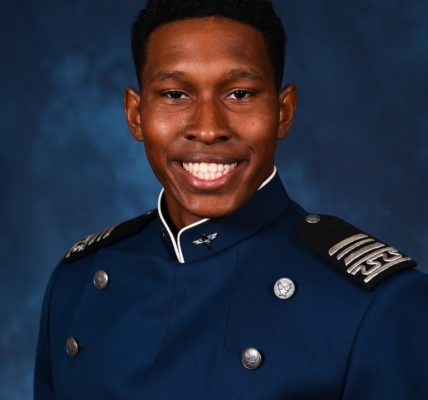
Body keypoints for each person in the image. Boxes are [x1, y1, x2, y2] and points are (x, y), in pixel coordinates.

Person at [34, 0, 428, 399]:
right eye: (175, 94)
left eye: (239, 94)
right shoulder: (76, 283)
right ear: (136, 115)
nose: (208, 129)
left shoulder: (380, 306)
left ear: (283, 111)